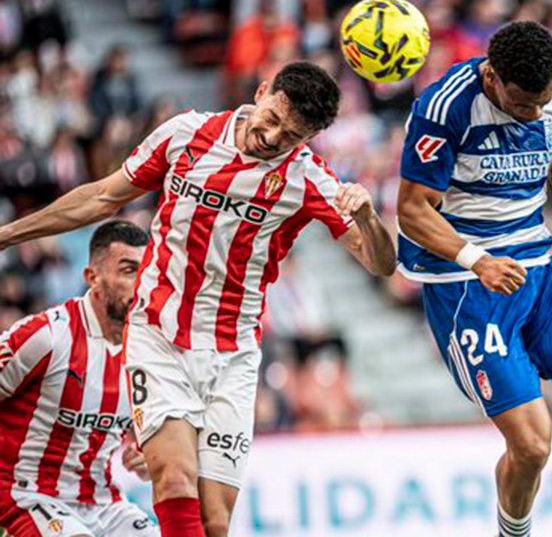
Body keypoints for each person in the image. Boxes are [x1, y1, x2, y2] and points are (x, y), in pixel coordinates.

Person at [0, 61, 397, 537]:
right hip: (158, 335)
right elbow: (102, 197)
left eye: (290, 136)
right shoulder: (187, 133)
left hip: (232, 355)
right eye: (272, 119)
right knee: (173, 477)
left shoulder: (308, 179)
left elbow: (381, 264)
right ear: (263, 88)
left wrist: (371, 220)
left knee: (213, 522)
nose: (272, 138)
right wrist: (7, 235)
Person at [396, 21, 552, 537]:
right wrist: (477, 260)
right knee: (534, 444)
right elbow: (411, 210)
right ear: (491, 77)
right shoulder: (445, 106)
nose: (535, 114)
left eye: (542, 100)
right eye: (521, 105)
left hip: (537, 269)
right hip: (465, 284)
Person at [0, 221, 156, 537]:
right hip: (26, 495)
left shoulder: (150, 353)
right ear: (92, 278)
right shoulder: (47, 336)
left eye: (146, 272)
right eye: (128, 271)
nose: (141, 285)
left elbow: (146, 442)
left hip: (102, 502)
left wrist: (147, 460)